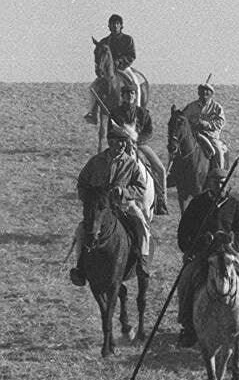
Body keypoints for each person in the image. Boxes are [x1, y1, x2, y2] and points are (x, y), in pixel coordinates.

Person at [175, 167, 239, 347]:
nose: (219, 185)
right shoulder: (197, 204)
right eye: (215, 181)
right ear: (209, 183)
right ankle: (187, 326)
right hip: (204, 253)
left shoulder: (234, 205)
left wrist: (233, 239)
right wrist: (198, 242)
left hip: (229, 251)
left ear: (227, 184)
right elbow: (184, 232)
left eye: (222, 182)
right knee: (185, 280)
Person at [69, 124, 151, 286]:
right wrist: (89, 199)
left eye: (124, 142)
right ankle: (80, 267)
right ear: (109, 142)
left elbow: (141, 187)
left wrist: (124, 192)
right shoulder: (95, 162)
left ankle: (142, 261)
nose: (121, 146)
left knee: (142, 224)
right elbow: (82, 183)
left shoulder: (130, 164)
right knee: (81, 230)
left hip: (124, 207)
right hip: (100, 209)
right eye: (118, 142)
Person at [110, 81, 168, 215]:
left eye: (132, 93)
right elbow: (110, 132)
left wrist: (138, 140)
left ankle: (161, 201)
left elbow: (149, 131)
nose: (129, 96)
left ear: (135, 96)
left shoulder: (142, 112)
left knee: (160, 169)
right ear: (122, 96)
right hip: (121, 147)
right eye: (126, 94)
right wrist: (120, 141)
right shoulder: (115, 113)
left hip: (140, 145)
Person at [85, 14, 138, 124]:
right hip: (108, 71)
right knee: (92, 88)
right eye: (112, 23)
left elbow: (132, 55)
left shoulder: (128, 39)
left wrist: (119, 61)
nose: (114, 26)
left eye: (117, 23)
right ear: (109, 26)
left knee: (136, 84)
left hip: (123, 68)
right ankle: (92, 112)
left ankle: (137, 110)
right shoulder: (104, 41)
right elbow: (100, 56)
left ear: (121, 25)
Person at [180, 82, 227, 169]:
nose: (204, 92)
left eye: (207, 91)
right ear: (198, 92)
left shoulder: (217, 107)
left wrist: (208, 125)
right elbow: (183, 120)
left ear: (211, 93)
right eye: (202, 90)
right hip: (193, 135)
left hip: (210, 136)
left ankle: (219, 175)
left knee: (218, 151)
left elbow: (221, 122)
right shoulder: (191, 106)